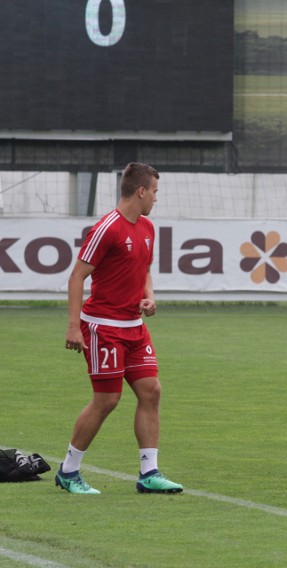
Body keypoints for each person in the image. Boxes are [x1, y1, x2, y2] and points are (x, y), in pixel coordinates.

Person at [58, 162, 183, 495]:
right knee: (107, 400)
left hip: (134, 327)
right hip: (104, 328)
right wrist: (73, 327)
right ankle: (68, 471)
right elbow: (76, 277)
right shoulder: (108, 229)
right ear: (141, 191)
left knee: (151, 391)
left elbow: (143, 271)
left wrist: (149, 297)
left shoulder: (147, 228)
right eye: (155, 191)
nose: (156, 198)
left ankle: (149, 473)